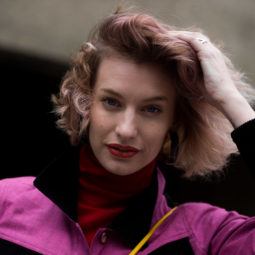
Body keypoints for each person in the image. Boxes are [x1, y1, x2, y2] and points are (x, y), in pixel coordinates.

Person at [0, 8, 255, 255]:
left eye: (152, 109)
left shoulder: (205, 237)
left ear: (174, 121)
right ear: (86, 103)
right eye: (112, 102)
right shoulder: (5, 204)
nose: (126, 129)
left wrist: (229, 97)